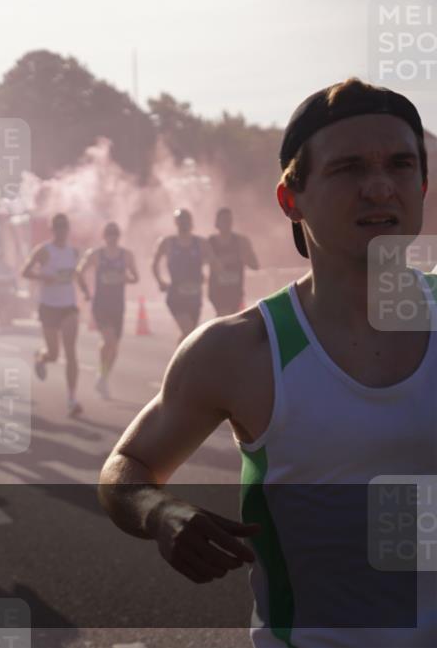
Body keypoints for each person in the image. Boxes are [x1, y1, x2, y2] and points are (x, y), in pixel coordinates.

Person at [97, 78, 437, 647]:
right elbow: (126, 467)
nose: (380, 187)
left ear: (423, 186)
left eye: (401, 165)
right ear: (290, 199)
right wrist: (161, 513)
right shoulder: (238, 350)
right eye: (349, 168)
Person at [22, 213, 89, 417]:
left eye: (64, 227)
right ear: (52, 230)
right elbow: (25, 271)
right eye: (57, 227)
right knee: (54, 353)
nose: (61, 231)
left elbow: (76, 273)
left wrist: (85, 290)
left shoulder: (72, 252)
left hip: (68, 307)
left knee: (71, 353)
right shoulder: (44, 250)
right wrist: (43, 276)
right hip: (48, 306)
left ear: (68, 229)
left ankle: (71, 399)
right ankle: (41, 358)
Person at [77, 222, 139, 399]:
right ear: (104, 237)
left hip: (118, 306)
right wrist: (86, 292)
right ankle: (102, 375)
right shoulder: (96, 255)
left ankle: (103, 376)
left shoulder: (126, 256)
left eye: (115, 234)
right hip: (101, 305)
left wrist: (123, 278)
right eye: (109, 234)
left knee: (114, 347)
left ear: (118, 237)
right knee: (109, 340)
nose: (112, 238)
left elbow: (136, 277)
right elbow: (79, 272)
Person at [152, 208, 211, 342]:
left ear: (191, 222)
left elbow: (213, 263)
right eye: (181, 221)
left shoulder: (201, 243)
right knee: (189, 331)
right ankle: (182, 361)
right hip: (176, 296)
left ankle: (180, 359)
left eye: (186, 220)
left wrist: (207, 277)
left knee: (189, 335)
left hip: (195, 296)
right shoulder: (167, 242)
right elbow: (154, 263)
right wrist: (160, 281)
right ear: (176, 223)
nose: (184, 224)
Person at [207, 207, 260, 316]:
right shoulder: (210, 242)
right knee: (225, 319)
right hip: (218, 291)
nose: (227, 223)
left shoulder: (241, 241)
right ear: (217, 222)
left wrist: (244, 258)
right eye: (224, 220)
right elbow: (199, 263)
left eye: (229, 220)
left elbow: (255, 265)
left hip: (236, 291)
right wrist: (219, 262)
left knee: (232, 322)